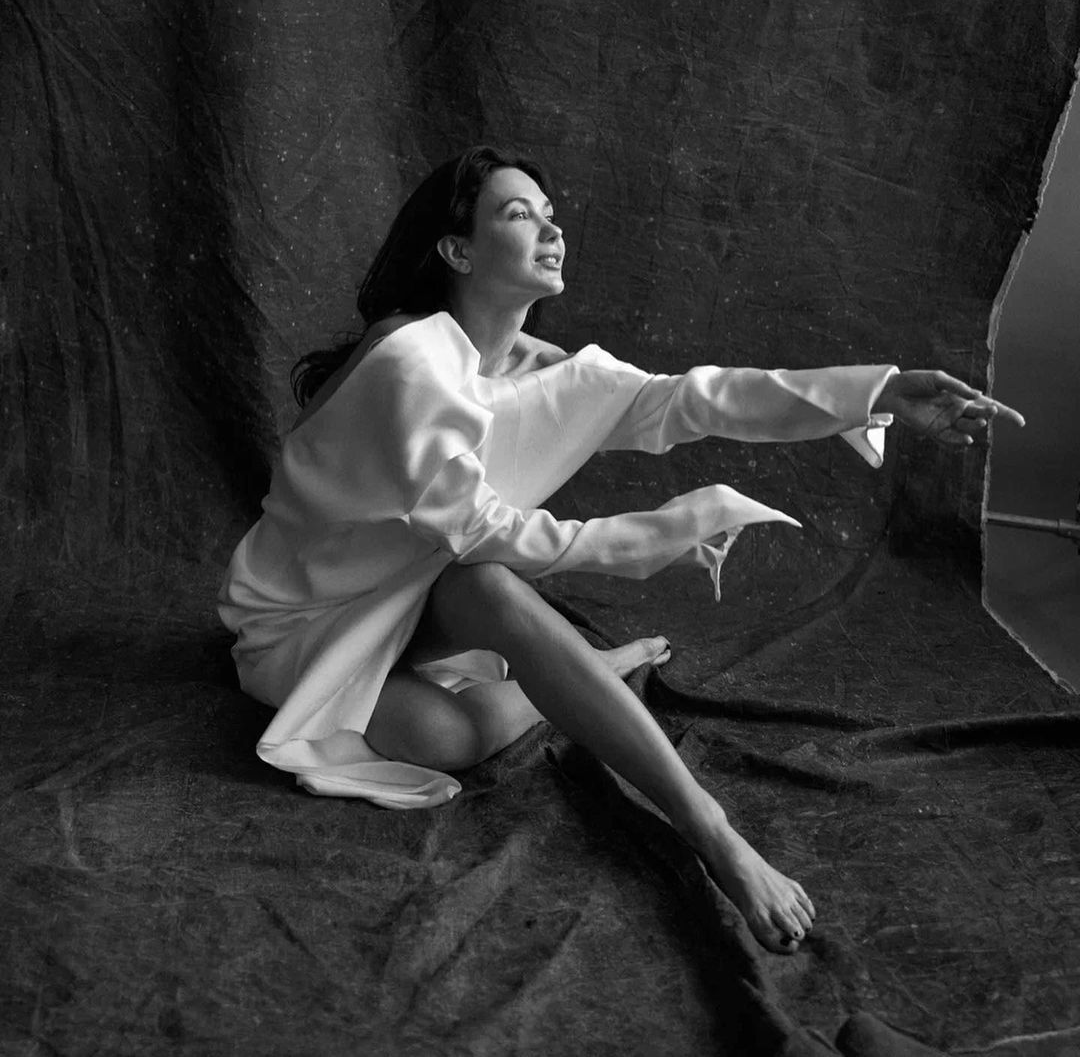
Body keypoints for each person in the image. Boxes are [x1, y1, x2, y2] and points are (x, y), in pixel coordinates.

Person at [219, 146, 1023, 955]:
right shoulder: (409, 357)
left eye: (551, 215)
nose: (551, 230)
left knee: (488, 590)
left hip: (411, 598)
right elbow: (481, 529)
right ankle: (589, 673)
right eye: (518, 215)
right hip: (303, 624)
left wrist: (879, 391)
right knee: (444, 738)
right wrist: (653, 538)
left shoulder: (550, 374)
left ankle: (712, 832)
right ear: (458, 250)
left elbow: (697, 399)